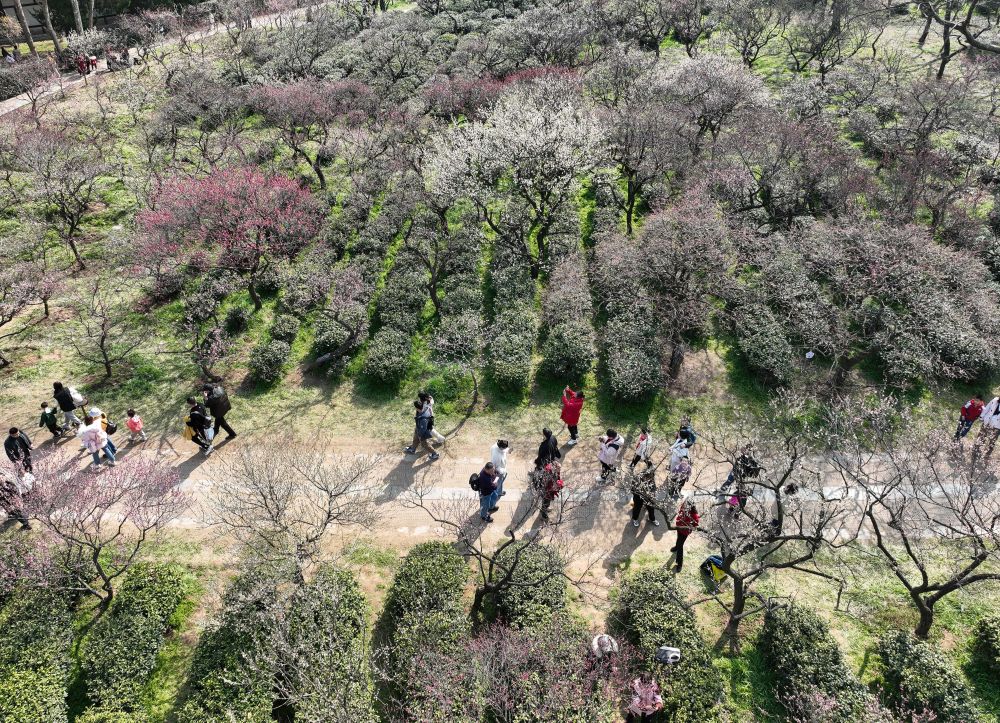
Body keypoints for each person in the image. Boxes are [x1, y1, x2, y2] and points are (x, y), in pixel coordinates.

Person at [671, 501, 700, 572]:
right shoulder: (683, 508)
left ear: (690, 507)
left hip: (685, 532)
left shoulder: (694, 515)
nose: (684, 507)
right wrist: (678, 521)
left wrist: (689, 525)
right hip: (679, 528)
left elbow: (695, 525)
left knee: (680, 545)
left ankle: (680, 564)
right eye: (684, 506)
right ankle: (676, 547)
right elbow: (679, 514)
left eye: (686, 506)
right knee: (678, 539)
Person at [974, 396, 1000, 463]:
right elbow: (987, 408)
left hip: (997, 426)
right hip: (987, 421)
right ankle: (976, 449)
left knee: (992, 441)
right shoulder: (995, 400)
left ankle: (987, 455)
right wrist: (982, 417)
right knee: (981, 436)